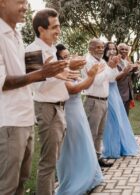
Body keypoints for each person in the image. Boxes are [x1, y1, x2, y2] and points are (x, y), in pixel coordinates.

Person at [0, 1, 66, 194]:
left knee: (21, 182)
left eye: (27, 2)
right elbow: (4, 81)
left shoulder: (16, 34)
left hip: (25, 118)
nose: (25, 6)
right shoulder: (28, 47)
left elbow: (29, 77)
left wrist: (53, 72)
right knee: (7, 187)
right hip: (9, 120)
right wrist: (43, 73)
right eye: (20, 1)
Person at [26, 8, 85, 195]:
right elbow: (37, 87)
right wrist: (60, 73)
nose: (59, 31)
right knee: (48, 163)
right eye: (54, 27)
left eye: (59, 26)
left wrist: (66, 69)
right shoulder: (33, 51)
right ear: (41, 30)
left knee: (54, 160)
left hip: (60, 108)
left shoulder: (51, 49)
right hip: (47, 108)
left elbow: (62, 75)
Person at [55, 44, 104, 195]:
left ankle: (87, 177)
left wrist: (91, 75)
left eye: (68, 56)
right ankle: (73, 180)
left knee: (83, 144)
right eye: (64, 57)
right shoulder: (59, 74)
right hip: (69, 113)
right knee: (71, 148)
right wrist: (91, 75)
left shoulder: (71, 72)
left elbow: (84, 86)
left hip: (78, 112)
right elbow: (74, 89)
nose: (68, 60)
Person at [82, 39, 120, 167]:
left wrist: (112, 67)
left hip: (104, 100)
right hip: (93, 100)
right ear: (90, 48)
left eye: (102, 47)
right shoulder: (88, 62)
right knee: (92, 133)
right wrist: (108, 68)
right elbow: (96, 81)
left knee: (100, 133)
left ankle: (98, 158)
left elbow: (112, 78)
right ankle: (90, 162)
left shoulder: (102, 61)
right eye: (97, 47)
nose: (100, 49)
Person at [101, 42, 139, 158]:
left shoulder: (116, 61)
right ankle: (112, 148)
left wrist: (132, 71)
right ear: (105, 50)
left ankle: (121, 145)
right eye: (109, 48)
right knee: (111, 122)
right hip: (109, 92)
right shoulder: (104, 63)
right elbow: (113, 78)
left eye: (113, 49)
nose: (112, 51)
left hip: (116, 93)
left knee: (120, 121)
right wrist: (125, 71)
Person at [116, 43, 139, 114]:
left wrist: (136, 71)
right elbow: (115, 77)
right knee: (119, 115)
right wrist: (126, 71)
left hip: (128, 94)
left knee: (125, 116)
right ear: (118, 50)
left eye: (126, 49)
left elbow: (132, 78)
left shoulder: (129, 61)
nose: (124, 51)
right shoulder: (115, 61)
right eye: (122, 49)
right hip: (119, 92)